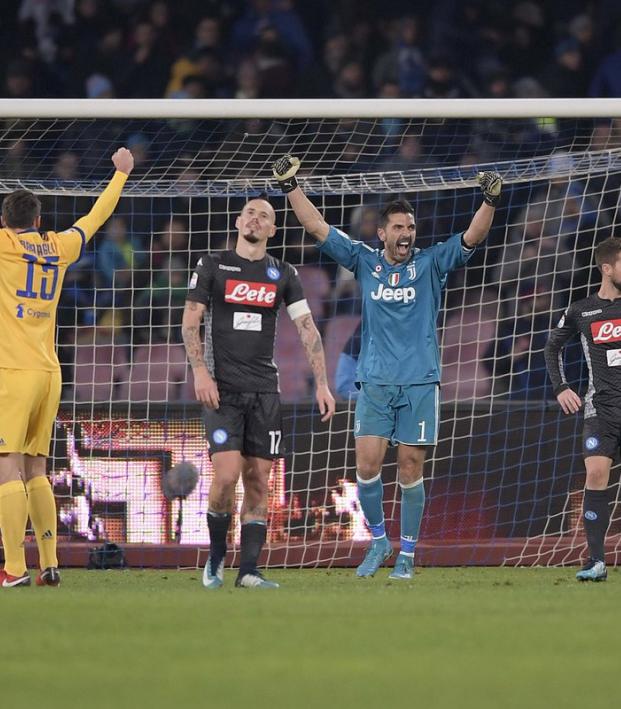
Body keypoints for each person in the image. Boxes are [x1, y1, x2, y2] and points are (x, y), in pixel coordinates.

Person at [273, 154, 501, 580]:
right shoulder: (365, 260)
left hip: (419, 382)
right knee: (366, 466)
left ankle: (409, 555)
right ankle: (379, 540)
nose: (406, 234)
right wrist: (291, 187)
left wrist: (488, 200)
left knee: (410, 468)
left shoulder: (431, 263)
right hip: (375, 380)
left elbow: (472, 236)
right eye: (398, 227)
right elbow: (318, 228)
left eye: (410, 228)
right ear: (382, 233)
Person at [182, 196, 335, 590]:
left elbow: (306, 329)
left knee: (259, 479)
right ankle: (216, 557)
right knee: (227, 474)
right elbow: (190, 321)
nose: (255, 218)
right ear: (237, 221)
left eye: (264, 215)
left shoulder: (282, 272)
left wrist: (321, 382)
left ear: (273, 230)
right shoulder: (212, 264)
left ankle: (248, 570)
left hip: (265, 391)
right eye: (250, 212)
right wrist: (200, 371)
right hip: (222, 390)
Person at [0, 147, 134, 588]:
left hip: (13, 375)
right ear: (38, 220)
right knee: (38, 469)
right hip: (51, 373)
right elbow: (96, 217)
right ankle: (51, 564)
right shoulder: (59, 245)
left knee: (8, 466)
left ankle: (15, 568)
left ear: (6, 222)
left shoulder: (3, 245)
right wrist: (120, 175)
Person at [543, 236, 621, 582]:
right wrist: (561, 388)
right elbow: (551, 347)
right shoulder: (582, 310)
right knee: (595, 477)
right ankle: (596, 561)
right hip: (600, 409)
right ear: (607, 268)